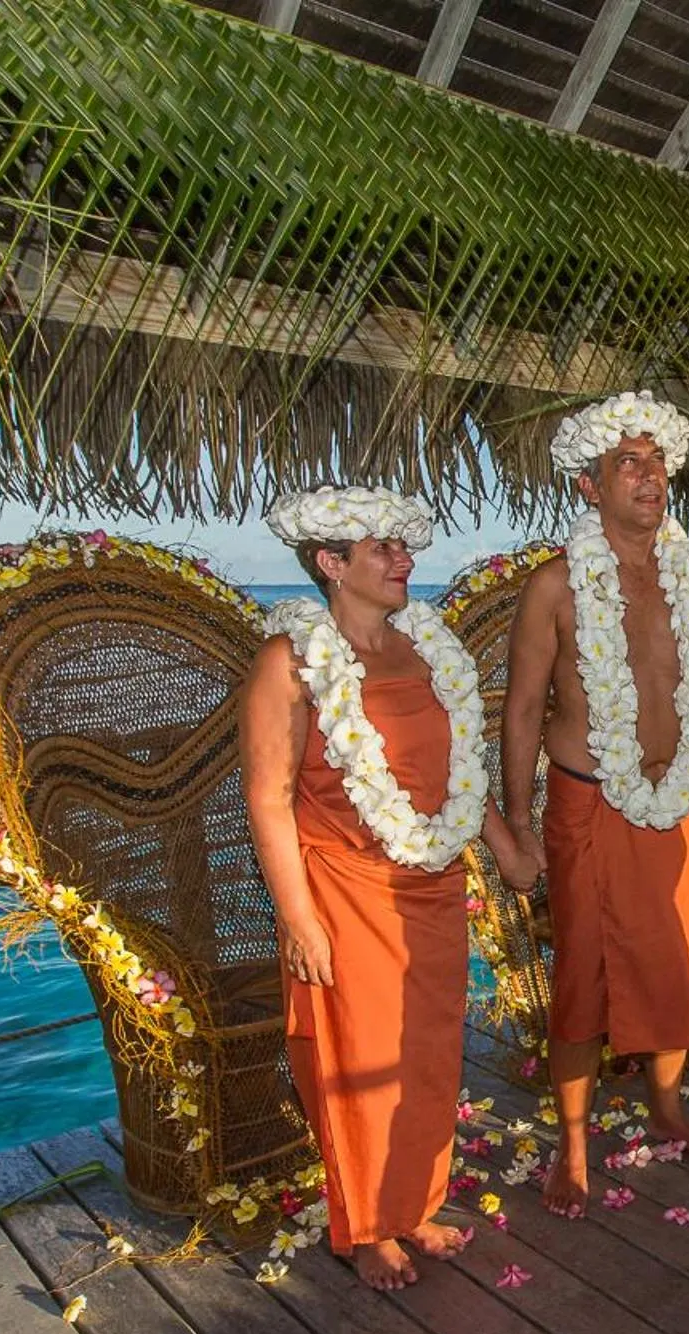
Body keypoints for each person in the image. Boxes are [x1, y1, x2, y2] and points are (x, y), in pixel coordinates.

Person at [241, 485, 537, 1291]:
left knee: (430, 1052)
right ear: (330, 565)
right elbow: (267, 798)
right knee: (359, 1062)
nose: (404, 560)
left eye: (403, 547)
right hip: (342, 887)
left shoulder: (425, 649)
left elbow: (457, 774)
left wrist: (506, 845)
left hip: (433, 885)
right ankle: (367, 1226)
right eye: (382, 549)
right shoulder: (289, 661)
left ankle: (415, 1203)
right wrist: (298, 919)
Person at [501, 392, 689, 1219]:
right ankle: (572, 1145)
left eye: (656, 463)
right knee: (584, 974)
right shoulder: (553, 586)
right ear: (589, 486)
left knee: (679, 963)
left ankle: (668, 1106)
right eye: (628, 464)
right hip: (588, 805)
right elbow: (520, 710)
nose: (650, 478)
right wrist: (513, 821)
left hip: (679, 801)